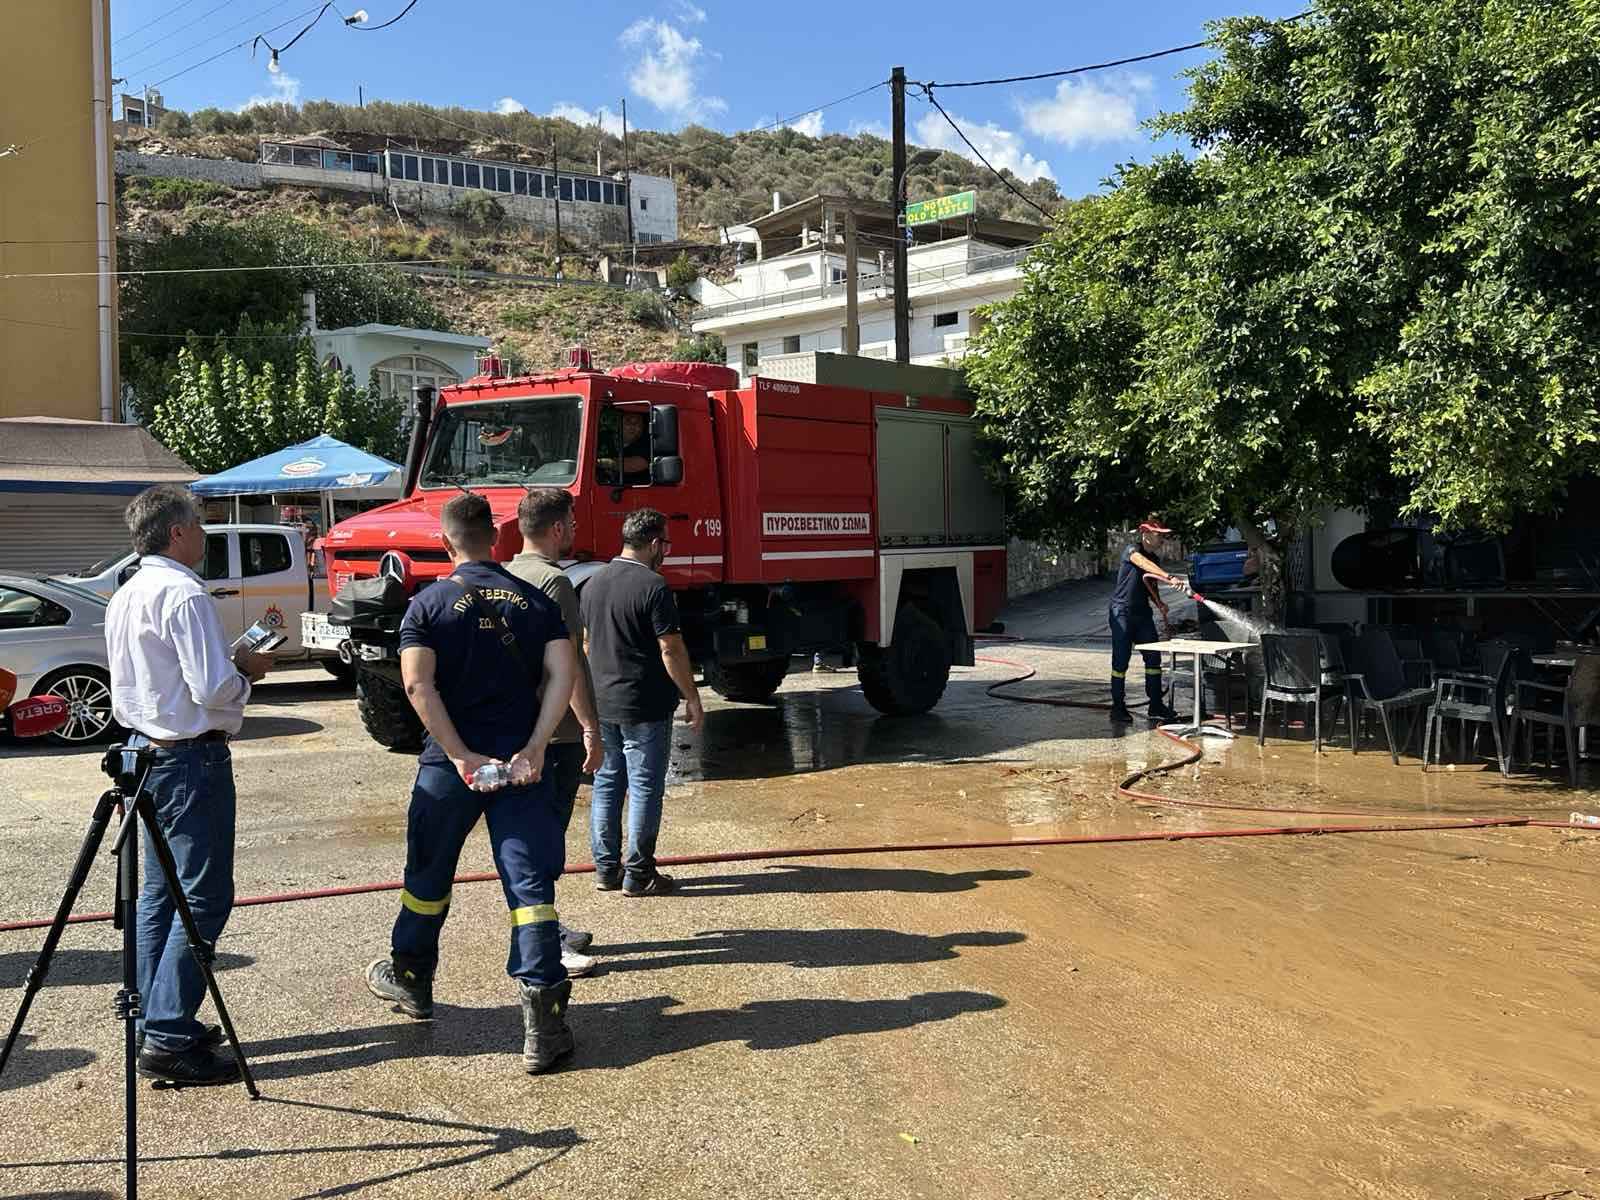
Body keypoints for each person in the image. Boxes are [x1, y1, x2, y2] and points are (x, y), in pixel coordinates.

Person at [364, 492, 579, 1075]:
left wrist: (460, 755)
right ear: (498, 538)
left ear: (444, 543)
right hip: (521, 765)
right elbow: (563, 675)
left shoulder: (427, 605)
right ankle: (543, 1021)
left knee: (427, 877)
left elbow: (418, 686)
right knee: (529, 888)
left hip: (448, 767)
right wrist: (536, 746)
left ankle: (412, 978)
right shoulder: (536, 601)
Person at [105, 484, 272, 1086]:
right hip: (188, 759)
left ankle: (154, 1019)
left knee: (159, 894)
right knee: (202, 895)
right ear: (177, 532)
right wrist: (247, 672)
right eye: (199, 525)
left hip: (144, 753)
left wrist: (227, 669)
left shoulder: (127, 592)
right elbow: (211, 688)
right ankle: (169, 1031)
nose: (204, 535)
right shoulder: (183, 593)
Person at [507, 487, 606, 977]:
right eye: (572, 521)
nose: (575, 529)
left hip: (517, 731)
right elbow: (569, 665)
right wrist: (590, 727)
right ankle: (546, 944)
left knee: (530, 839)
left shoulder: (504, 575)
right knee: (545, 845)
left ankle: (549, 930)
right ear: (558, 528)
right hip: (558, 736)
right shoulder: (555, 582)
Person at [581, 507, 705, 897]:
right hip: (645, 704)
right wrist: (692, 696)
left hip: (603, 702)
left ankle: (606, 870)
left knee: (606, 784)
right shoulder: (654, 586)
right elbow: (671, 649)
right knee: (645, 787)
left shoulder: (593, 583)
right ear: (653, 544)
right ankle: (639, 873)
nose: (666, 551)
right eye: (665, 543)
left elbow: (587, 644)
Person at [1108, 516, 1189, 725]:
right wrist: (1169, 577)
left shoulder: (1155, 559)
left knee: (1153, 659)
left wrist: (1159, 603)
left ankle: (1155, 705)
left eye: (1163, 536)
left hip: (1143, 614)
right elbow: (1143, 564)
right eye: (1158, 535)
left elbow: (1150, 585)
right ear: (1145, 534)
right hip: (1122, 612)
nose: (1162, 539)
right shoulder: (1131, 550)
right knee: (1121, 660)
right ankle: (1118, 707)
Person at [597, 410, 651, 486]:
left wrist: (602, 463)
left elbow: (640, 463)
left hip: (630, 490)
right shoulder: (603, 437)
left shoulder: (648, 444)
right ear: (619, 423)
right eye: (628, 420)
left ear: (643, 427)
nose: (632, 426)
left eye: (637, 422)